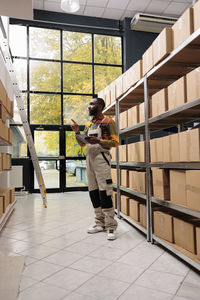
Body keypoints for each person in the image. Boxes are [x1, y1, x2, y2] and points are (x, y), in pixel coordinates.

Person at [71, 97, 119, 240]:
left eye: (92, 104)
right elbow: (82, 145)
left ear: (100, 106)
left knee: (105, 190)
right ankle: (100, 223)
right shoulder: (89, 125)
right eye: (89, 105)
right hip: (89, 158)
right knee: (93, 190)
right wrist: (77, 133)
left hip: (101, 158)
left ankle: (111, 226)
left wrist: (99, 140)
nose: (89, 107)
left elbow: (115, 142)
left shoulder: (109, 122)